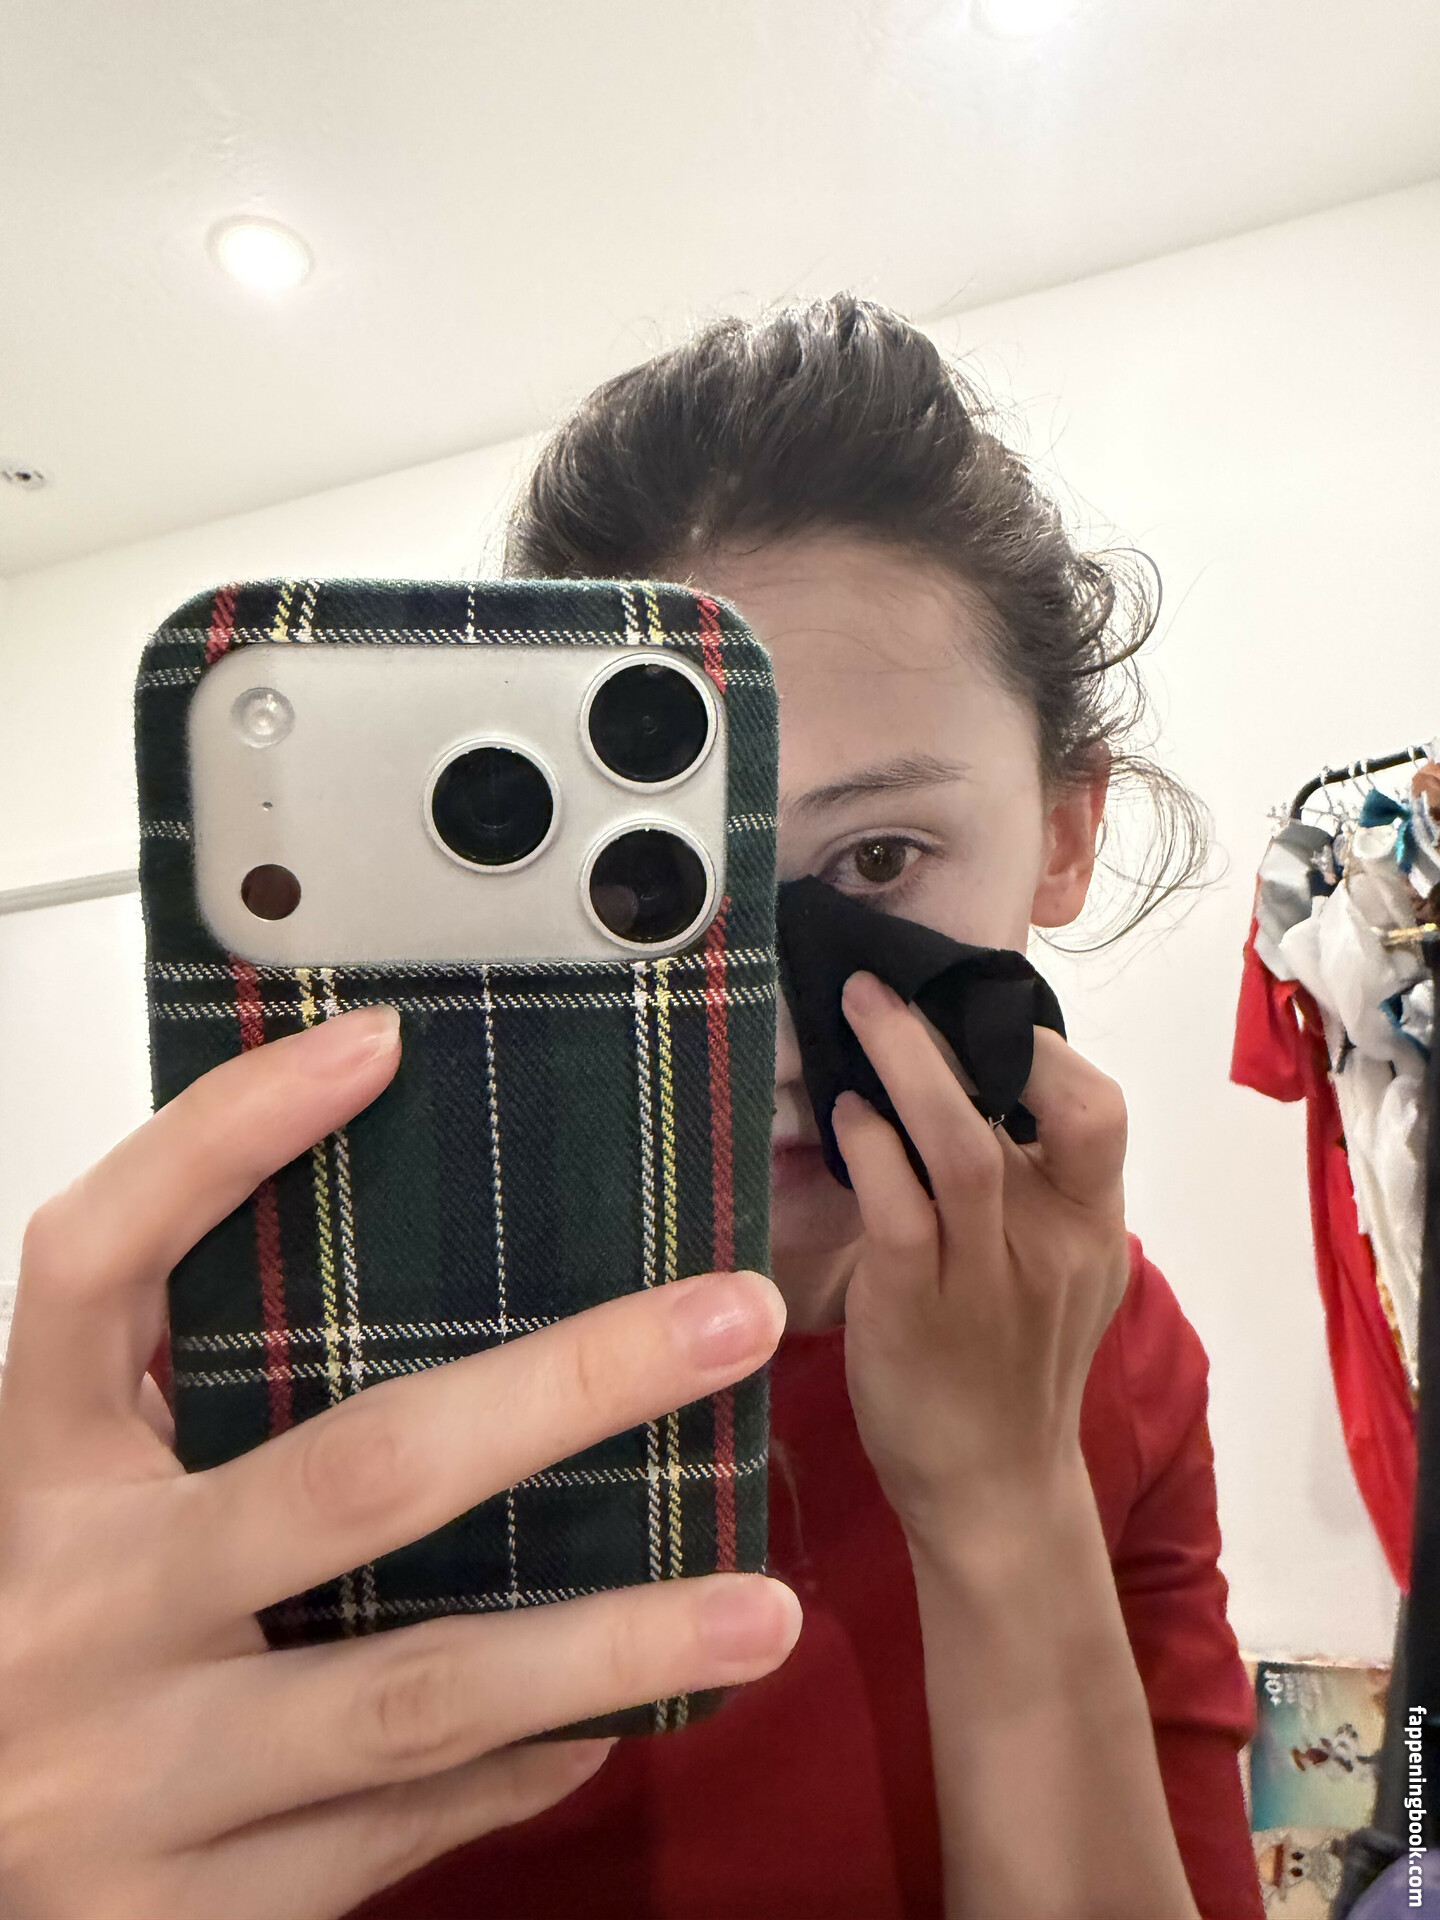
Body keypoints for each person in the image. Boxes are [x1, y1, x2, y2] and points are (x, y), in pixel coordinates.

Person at [0, 296, 1260, 1920]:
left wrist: (1010, 1511)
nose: (768, 1028)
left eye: (879, 860)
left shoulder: (1112, 1347)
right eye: (658, 894)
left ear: (1067, 833)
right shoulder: (287, 1350)